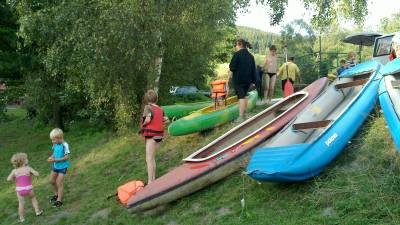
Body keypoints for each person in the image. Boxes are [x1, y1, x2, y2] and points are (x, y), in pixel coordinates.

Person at [140, 90, 168, 184]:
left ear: (147, 99)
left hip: (151, 135)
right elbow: (166, 119)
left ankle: (150, 182)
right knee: (152, 158)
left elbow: (147, 119)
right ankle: (153, 179)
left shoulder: (148, 107)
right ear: (156, 99)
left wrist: (143, 125)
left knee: (149, 159)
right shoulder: (160, 109)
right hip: (159, 136)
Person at [7, 153, 43, 223]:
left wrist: (14, 177)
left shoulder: (14, 171)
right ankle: (37, 211)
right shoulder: (28, 168)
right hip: (29, 188)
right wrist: (32, 173)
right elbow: (37, 174)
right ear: (23, 161)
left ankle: (21, 218)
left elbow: (8, 179)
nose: (27, 159)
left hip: (19, 190)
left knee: (21, 203)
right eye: (26, 158)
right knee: (33, 198)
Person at [229, 39, 256, 122]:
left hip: (239, 80)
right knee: (244, 96)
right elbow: (253, 70)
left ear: (239, 45)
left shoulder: (237, 54)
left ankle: (240, 117)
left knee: (241, 97)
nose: (235, 47)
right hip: (248, 80)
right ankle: (244, 114)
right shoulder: (251, 56)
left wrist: (228, 80)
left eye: (236, 45)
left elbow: (232, 68)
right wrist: (253, 82)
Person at [47, 128, 70, 208]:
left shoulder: (65, 145)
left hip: (63, 167)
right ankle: (56, 194)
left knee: (59, 182)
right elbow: (55, 152)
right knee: (52, 181)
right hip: (55, 166)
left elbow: (67, 157)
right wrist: (51, 157)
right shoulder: (55, 144)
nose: (52, 141)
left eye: (53, 140)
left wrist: (55, 160)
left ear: (59, 138)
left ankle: (59, 201)